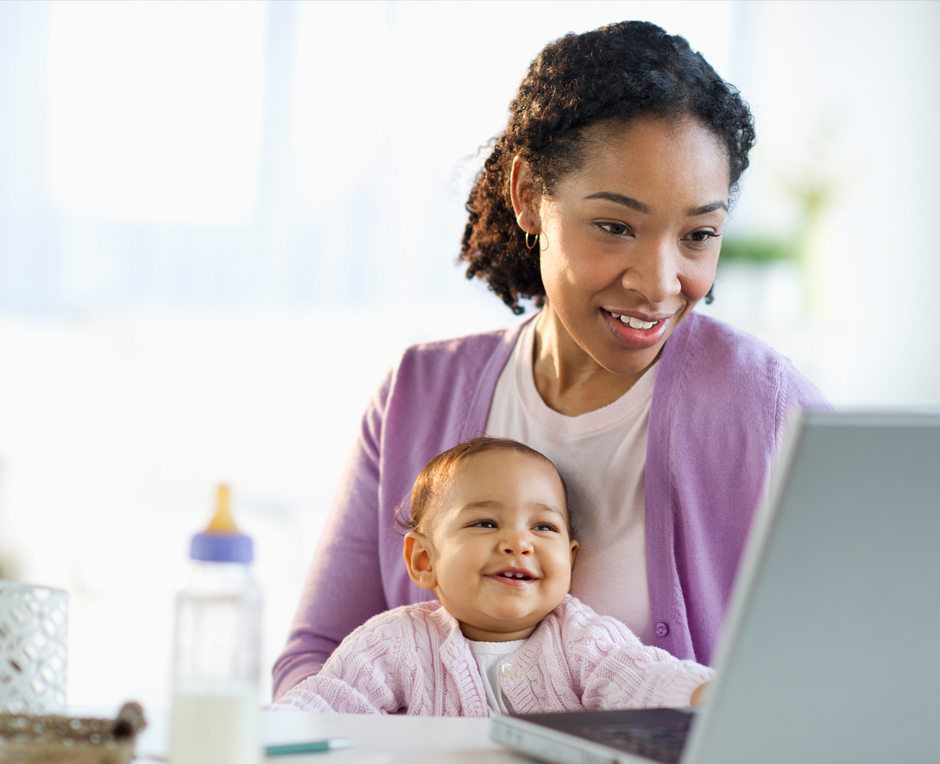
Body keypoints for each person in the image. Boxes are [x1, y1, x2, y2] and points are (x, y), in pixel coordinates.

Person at [273, 21, 830, 700]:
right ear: (529, 195)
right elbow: (316, 659)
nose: (659, 283)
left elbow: (847, 673)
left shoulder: (772, 409)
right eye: (615, 226)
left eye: (698, 235)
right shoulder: (416, 395)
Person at [272, 438, 713, 716]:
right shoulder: (395, 643)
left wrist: (708, 693)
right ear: (424, 560)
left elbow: (642, 679)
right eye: (485, 523)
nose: (519, 542)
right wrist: (268, 730)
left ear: (570, 560)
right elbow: (324, 703)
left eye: (544, 527)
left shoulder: (581, 639)